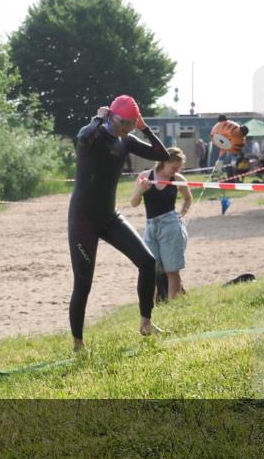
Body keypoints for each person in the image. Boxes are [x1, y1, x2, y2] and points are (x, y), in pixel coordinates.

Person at [67, 96, 170, 351]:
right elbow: (82, 137)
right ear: (113, 117)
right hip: (83, 220)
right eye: (127, 123)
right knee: (83, 283)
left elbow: (162, 154)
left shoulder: (127, 140)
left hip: (109, 217)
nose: (129, 129)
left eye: (134, 124)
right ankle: (78, 343)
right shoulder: (93, 135)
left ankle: (146, 322)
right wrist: (97, 117)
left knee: (147, 262)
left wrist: (144, 128)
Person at [130, 147, 193, 301]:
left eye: (178, 168)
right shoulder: (145, 176)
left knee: (172, 270)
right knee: (150, 270)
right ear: (164, 162)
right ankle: (148, 308)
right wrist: (141, 191)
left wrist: (182, 212)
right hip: (150, 227)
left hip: (171, 225)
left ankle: (173, 306)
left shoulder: (178, 179)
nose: (175, 171)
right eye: (173, 167)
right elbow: (134, 203)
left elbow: (188, 198)